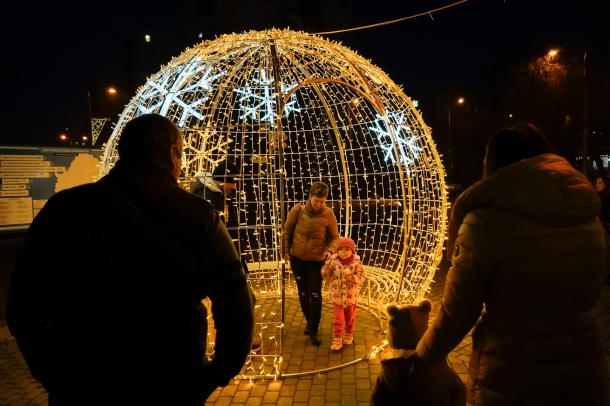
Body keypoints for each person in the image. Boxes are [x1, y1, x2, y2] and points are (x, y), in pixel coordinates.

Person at [7, 114, 254, 406]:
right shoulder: (197, 216)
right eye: (182, 153)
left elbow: (23, 306)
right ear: (172, 154)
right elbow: (238, 308)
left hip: (84, 382)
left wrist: (53, 373)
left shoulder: (63, 209)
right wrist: (214, 376)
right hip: (171, 383)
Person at [415, 123, 609, 405]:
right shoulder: (589, 217)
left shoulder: (485, 222)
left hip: (513, 377)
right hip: (585, 373)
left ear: (494, 163)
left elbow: (458, 312)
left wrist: (423, 357)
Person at [283, 181, 339, 346]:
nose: (319, 204)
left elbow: (335, 237)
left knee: (315, 295)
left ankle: (314, 330)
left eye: (322, 201)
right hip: (297, 259)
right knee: (302, 293)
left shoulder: (328, 214)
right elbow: (287, 230)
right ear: (310, 197)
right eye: (316, 201)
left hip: (316, 261)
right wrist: (285, 251)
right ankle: (309, 321)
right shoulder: (298, 210)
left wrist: (330, 250)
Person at [321, 236, 365, 351]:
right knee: (338, 319)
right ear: (337, 251)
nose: (343, 252)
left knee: (349, 318)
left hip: (351, 297)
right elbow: (328, 275)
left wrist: (350, 276)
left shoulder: (356, 263)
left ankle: (349, 333)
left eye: (346, 250)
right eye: (340, 249)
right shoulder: (334, 262)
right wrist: (326, 268)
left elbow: (361, 278)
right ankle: (337, 338)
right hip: (337, 296)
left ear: (352, 251)